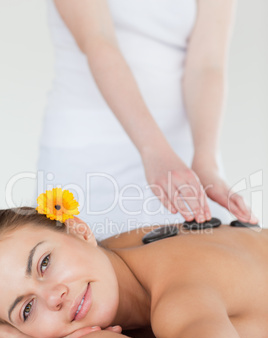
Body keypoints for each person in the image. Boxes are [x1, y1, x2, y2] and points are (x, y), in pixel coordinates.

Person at [0, 204, 267, 338]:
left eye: (44, 263)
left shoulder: (178, 291)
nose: (52, 297)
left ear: (79, 231)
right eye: (27, 309)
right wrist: (13, 337)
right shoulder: (107, 257)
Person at [38, 0, 257, 239]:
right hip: (90, 152)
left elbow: (208, 64)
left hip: (182, 157)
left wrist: (205, 161)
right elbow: (99, 41)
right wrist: (154, 150)